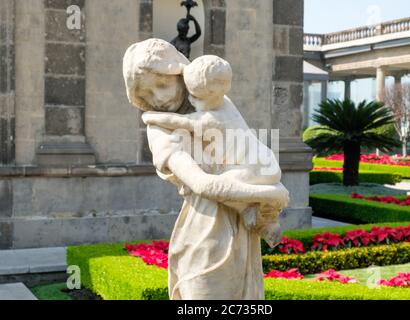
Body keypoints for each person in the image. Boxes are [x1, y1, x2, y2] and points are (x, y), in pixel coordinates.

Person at [123, 39, 289, 300]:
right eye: (147, 94)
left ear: (180, 72)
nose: (159, 98)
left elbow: (248, 150)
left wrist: (266, 195)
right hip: (206, 230)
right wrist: (272, 194)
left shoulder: (213, 101)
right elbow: (202, 184)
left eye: (162, 84)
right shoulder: (160, 131)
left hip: (243, 230)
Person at [142, 55, 285, 248]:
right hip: (264, 162)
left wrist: (150, 117)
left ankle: (267, 213)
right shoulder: (224, 102)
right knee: (236, 194)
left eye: (196, 97)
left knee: (229, 188)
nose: (191, 99)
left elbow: (181, 122)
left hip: (254, 168)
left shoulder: (212, 119)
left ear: (211, 94)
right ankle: (264, 218)